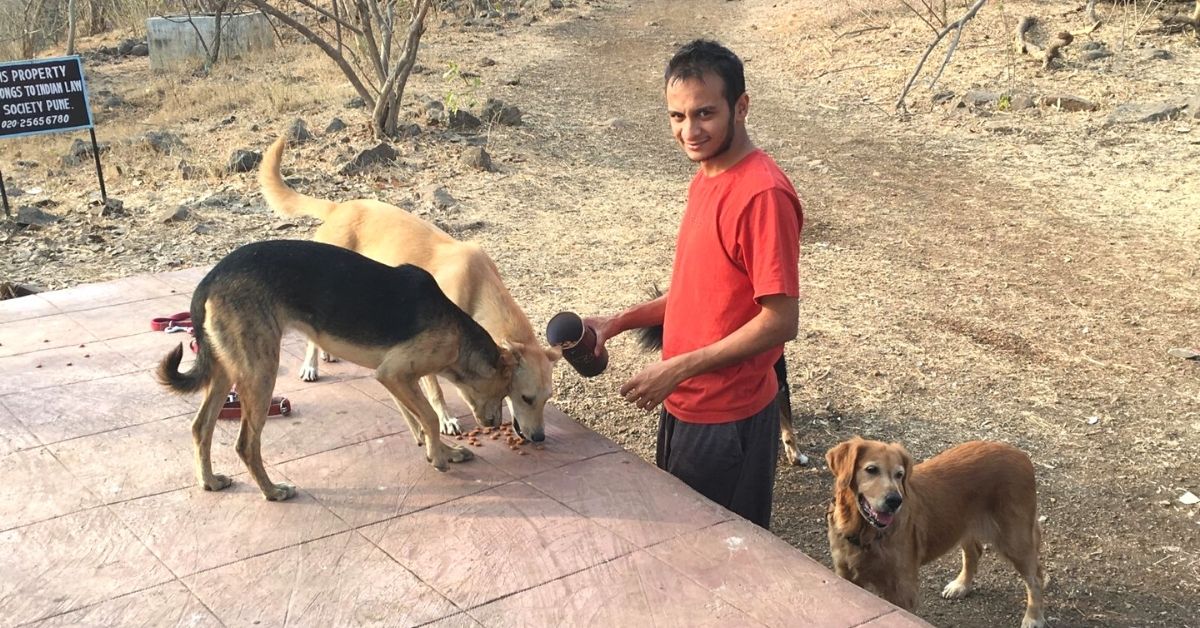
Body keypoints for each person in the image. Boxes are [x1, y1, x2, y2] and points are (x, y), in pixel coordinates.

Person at [585, 39, 803, 529]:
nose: (689, 131)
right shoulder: (708, 175)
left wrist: (677, 368)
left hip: (727, 414)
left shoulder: (761, 194)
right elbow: (699, 296)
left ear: (741, 107)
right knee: (685, 538)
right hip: (688, 402)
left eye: (704, 113)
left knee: (717, 551)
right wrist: (615, 323)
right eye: (677, 117)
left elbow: (780, 320)